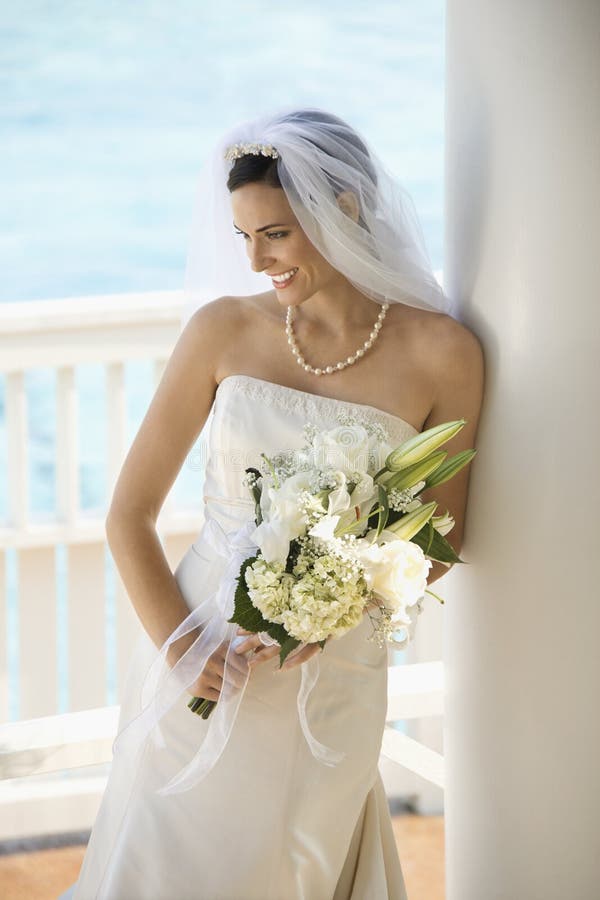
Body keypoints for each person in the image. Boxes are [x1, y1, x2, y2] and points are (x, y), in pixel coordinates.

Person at [60, 107, 484, 899]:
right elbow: (129, 515)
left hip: (334, 674)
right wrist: (184, 651)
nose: (256, 261)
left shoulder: (444, 353)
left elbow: (441, 538)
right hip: (201, 654)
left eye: (276, 234)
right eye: (244, 237)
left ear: (345, 209)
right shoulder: (223, 331)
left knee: (295, 869)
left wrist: (330, 607)